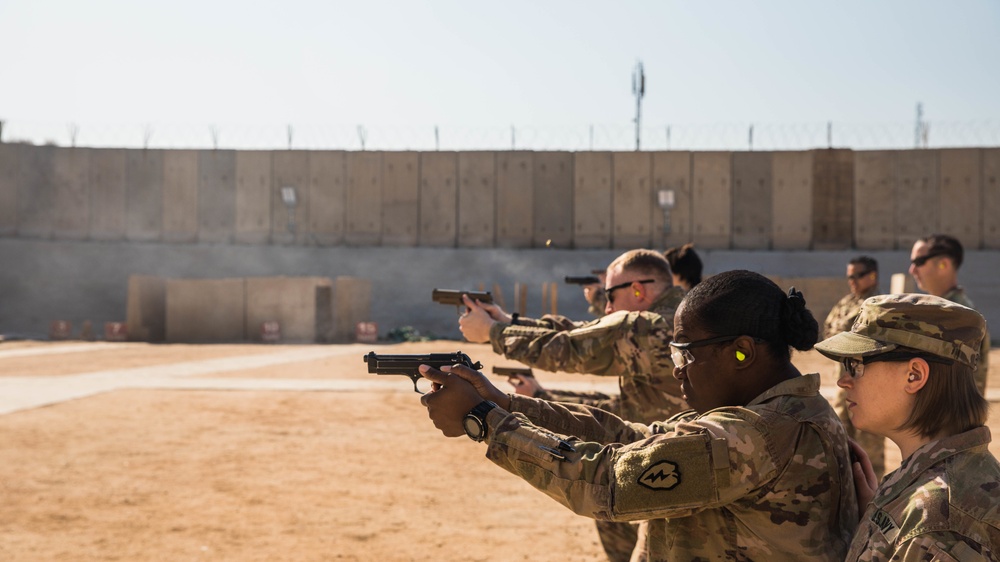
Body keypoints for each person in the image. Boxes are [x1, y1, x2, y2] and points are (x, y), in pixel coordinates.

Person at [421, 270, 859, 561]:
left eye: (684, 351)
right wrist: (508, 405)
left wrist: (484, 420)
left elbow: (607, 481)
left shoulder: (756, 434)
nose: (675, 367)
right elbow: (633, 438)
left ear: (741, 351)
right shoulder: (778, 414)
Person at [459, 248, 686, 561]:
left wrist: (493, 333)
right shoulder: (680, 316)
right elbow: (581, 332)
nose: (605, 307)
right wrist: (509, 322)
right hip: (672, 459)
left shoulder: (651, 327)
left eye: (610, 295)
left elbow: (570, 347)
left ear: (638, 290)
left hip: (677, 468)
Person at [814, 294, 1000, 561]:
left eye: (855, 365)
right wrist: (878, 517)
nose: (844, 381)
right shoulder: (933, 487)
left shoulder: (938, 524)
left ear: (914, 375)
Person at [824, 256, 886, 480]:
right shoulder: (846, 303)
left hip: (868, 384)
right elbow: (829, 328)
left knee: (869, 446)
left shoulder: (880, 305)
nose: (852, 281)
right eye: (850, 276)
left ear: (873, 276)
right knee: (842, 442)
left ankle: (875, 495)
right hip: (844, 383)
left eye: (857, 276)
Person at [909, 233, 990, 395]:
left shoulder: (956, 315)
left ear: (943, 265)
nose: (912, 270)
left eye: (919, 262)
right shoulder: (942, 310)